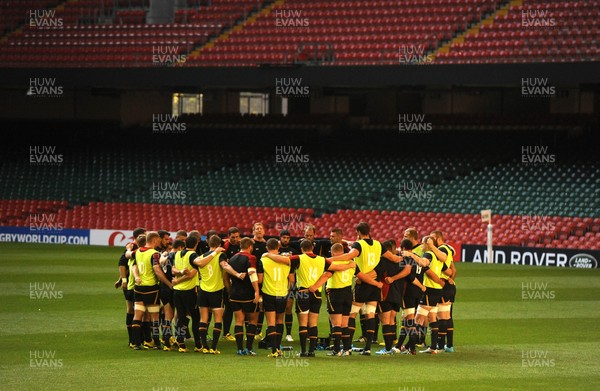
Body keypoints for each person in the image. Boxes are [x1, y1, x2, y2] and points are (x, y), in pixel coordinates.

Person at [325, 222, 383, 355]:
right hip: (373, 283)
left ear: (358, 232)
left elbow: (351, 255)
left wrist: (329, 260)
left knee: (348, 317)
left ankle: (342, 348)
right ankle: (367, 347)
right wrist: (377, 284)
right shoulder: (377, 245)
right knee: (370, 314)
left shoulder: (353, 252)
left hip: (356, 288)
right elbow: (389, 257)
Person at [264, 239, 326, 357]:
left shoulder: (299, 258)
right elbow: (330, 270)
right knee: (313, 323)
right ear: (312, 247)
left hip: (302, 292)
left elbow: (284, 260)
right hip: (316, 293)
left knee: (303, 323)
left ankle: (303, 351)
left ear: (302, 249)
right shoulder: (322, 259)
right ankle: (312, 351)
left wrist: (267, 254)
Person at [308, 243, 356, 356]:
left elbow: (326, 276)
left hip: (335, 293)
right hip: (348, 293)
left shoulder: (333, 263)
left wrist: (314, 287)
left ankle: (336, 350)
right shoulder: (351, 262)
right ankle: (347, 349)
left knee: (336, 324)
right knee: (345, 324)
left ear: (333, 252)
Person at [131, 232, 173, 350]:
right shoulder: (154, 254)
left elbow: (134, 266)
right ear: (154, 240)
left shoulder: (138, 251)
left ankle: (136, 343)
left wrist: (136, 277)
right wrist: (168, 283)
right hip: (151, 289)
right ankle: (156, 343)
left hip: (138, 288)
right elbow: (157, 270)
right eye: (159, 240)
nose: (160, 242)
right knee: (154, 316)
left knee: (138, 314)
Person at [411, 236, 451, 354]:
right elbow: (449, 272)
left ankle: (410, 347)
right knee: (432, 319)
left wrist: (411, 255)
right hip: (438, 291)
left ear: (427, 244)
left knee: (417, 319)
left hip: (429, 290)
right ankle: (433, 347)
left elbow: (423, 263)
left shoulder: (428, 254)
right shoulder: (438, 257)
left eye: (422, 244)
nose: (421, 246)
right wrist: (445, 280)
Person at [375, 240, 412, 355]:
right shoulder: (402, 260)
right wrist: (396, 278)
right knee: (391, 320)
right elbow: (408, 271)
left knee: (385, 320)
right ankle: (390, 348)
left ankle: (387, 349)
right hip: (398, 294)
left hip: (385, 293)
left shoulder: (383, 261)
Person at [257, 238, 292, 357]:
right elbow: (291, 280)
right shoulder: (286, 261)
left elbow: (260, 279)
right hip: (282, 293)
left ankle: (273, 351)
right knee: (280, 321)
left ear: (267, 248)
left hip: (268, 293)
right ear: (278, 248)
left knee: (271, 323)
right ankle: (278, 348)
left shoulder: (263, 260)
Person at [194, 235, 227, 354]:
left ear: (208, 244)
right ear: (219, 245)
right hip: (217, 291)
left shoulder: (201, 257)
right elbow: (224, 266)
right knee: (218, 319)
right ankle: (214, 347)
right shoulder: (221, 255)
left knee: (203, 318)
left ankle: (204, 346)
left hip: (203, 290)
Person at [227, 237, 260, 355]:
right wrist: (257, 291)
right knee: (252, 321)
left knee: (239, 321)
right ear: (250, 246)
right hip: (248, 294)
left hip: (235, 294)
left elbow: (226, 276)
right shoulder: (251, 257)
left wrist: (229, 290)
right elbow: (252, 275)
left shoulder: (232, 258)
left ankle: (239, 349)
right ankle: (249, 348)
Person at [116, 227, 145, 348]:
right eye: (143, 235)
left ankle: (134, 340)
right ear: (138, 237)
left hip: (132, 283)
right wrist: (123, 280)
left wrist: (120, 279)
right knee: (135, 310)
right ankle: (134, 340)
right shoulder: (132, 247)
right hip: (131, 285)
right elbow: (122, 263)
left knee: (133, 310)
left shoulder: (134, 247)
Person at [429, 230, 457, 352]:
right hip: (450, 286)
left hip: (443, 285)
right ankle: (449, 345)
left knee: (442, 317)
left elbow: (446, 267)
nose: (430, 240)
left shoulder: (443, 250)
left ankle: (440, 345)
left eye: (432, 238)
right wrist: (451, 278)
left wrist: (446, 278)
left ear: (439, 239)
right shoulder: (448, 249)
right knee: (447, 316)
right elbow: (453, 269)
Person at [158, 238, 184, 350]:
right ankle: (177, 339)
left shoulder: (165, 256)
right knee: (177, 315)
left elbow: (161, 262)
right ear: (180, 248)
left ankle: (166, 341)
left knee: (168, 315)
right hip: (173, 287)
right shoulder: (175, 257)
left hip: (163, 288)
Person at [221, 227, 241, 342]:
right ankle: (226, 332)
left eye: (237, 237)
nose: (235, 239)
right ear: (229, 236)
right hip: (228, 279)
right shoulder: (225, 247)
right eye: (233, 237)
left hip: (238, 280)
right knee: (228, 307)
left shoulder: (240, 245)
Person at [251, 222, 268, 340]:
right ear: (253, 231)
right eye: (257, 229)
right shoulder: (250, 244)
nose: (259, 230)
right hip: (252, 278)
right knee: (251, 303)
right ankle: (250, 330)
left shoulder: (267, 245)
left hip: (264, 278)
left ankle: (258, 331)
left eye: (261, 229)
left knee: (262, 304)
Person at [279, 229, 296, 342]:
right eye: (284, 237)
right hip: (278, 282)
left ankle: (288, 333)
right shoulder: (276, 250)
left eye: (288, 238)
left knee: (289, 307)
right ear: (280, 238)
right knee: (278, 309)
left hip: (291, 281)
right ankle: (276, 332)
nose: (286, 239)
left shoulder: (294, 251)